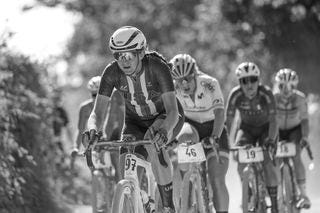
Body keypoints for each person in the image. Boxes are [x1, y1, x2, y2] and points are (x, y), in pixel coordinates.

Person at [86, 26, 184, 213]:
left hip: (165, 117)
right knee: (125, 171)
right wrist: (92, 131)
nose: (124, 60)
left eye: (129, 55)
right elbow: (97, 113)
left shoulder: (157, 67)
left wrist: (163, 131)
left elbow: (172, 111)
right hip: (134, 122)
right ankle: (143, 200)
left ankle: (169, 206)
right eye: (118, 55)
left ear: (141, 52)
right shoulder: (112, 72)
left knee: (152, 142)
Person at [170, 54, 229, 213]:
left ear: (195, 74)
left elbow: (220, 114)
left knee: (217, 179)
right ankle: (186, 188)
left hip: (214, 127)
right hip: (192, 126)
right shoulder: (174, 88)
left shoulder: (210, 83)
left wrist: (215, 136)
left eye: (188, 78)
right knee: (183, 138)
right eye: (179, 80)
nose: (184, 84)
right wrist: (171, 138)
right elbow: (171, 115)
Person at [225, 62, 279, 213]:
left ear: (258, 80)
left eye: (253, 80)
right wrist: (230, 142)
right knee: (240, 158)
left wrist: (271, 140)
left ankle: (274, 204)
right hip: (246, 129)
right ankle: (247, 193)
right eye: (244, 81)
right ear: (240, 83)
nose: (249, 85)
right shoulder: (235, 95)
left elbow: (275, 120)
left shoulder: (266, 93)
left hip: (266, 129)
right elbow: (229, 120)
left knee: (268, 162)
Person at [71, 76, 124, 182]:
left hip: (113, 135)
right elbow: (80, 129)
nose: (97, 98)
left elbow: (121, 124)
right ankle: (100, 187)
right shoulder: (85, 108)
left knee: (116, 168)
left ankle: (120, 189)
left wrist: (120, 141)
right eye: (94, 95)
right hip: (96, 137)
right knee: (92, 165)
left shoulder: (113, 104)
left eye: (101, 95)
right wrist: (75, 147)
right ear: (90, 93)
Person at [273, 68, 311, 209]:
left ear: (295, 87)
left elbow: (305, 120)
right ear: (278, 86)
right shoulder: (273, 97)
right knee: (274, 158)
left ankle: (303, 194)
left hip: (295, 130)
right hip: (278, 130)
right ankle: (275, 192)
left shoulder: (300, 98)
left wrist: (305, 137)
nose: (286, 90)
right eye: (282, 86)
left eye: (291, 87)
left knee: (296, 157)